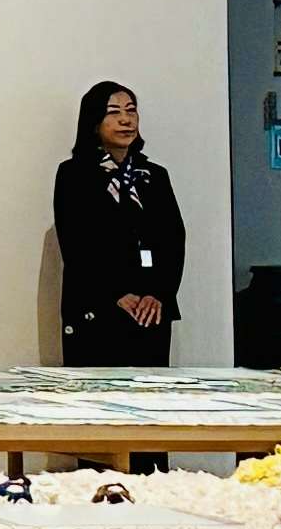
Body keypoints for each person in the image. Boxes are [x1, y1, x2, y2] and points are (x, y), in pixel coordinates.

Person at [53, 81, 186, 367]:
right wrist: (114, 293)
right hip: (97, 307)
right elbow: (76, 245)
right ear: (94, 122)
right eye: (114, 112)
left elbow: (173, 240)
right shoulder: (73, 175)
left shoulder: (153, 175)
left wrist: (158, 294)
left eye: (131, 110)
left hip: (149, 310)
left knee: (150, 387)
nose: (126, 120)